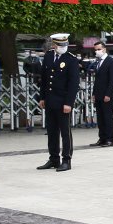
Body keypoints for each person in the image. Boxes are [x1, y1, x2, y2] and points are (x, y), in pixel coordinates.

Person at [35, 33, 79, 172]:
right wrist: (42, 97)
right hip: (50, 100)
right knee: (52, 130)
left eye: (65, 44)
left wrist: (69, 103)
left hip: (63, 101)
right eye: (60, 45)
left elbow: (73, 83)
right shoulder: (48, 56)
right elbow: (44, 79)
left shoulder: (71, 59)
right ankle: (54, 158)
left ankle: (66, 159)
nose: (63, 47)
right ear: (54, 45)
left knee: (65, 132)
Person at [91, 41, 113, 147]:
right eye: (95, 50)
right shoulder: (98, 62)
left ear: (104, 49)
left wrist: (108, 94)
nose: (97, 51)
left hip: (106, 95)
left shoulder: (111, 61)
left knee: (107, 117)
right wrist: (93, 94)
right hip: (98, 94)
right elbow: (97, 80)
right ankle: (102, 138)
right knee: (100, 118)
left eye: (98, 49)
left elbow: (112, 80)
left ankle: (109, 139)